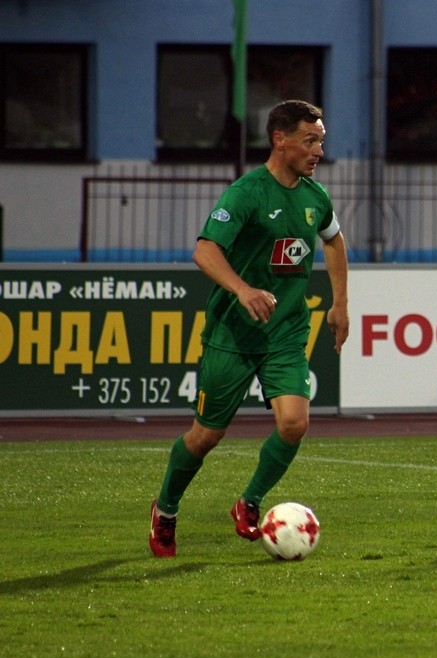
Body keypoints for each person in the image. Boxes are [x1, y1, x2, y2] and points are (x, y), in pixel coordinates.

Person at [149, 100, 350, 557]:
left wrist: (340, 304)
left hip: (286, 333)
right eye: (310, 140)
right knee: (206, 436)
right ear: (280, 140)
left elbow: (334, 240)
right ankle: (166, 510)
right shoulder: (246, 193)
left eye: (321, 141)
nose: (319, 151)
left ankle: (250, 501)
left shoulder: (315, 197)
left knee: (294, 424)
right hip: (233, 335)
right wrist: (242, 289)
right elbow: (204, 251)